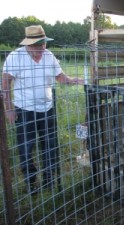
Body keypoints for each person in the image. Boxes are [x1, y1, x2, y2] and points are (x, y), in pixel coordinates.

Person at [1, 25, 84, 195]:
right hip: (25, 110)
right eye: (37, 45)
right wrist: (9, 109)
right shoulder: (15, 57)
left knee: (50, 145)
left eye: (43, 44)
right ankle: (31, 182)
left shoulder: (49, 55)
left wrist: (74, 80)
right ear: (28, 44)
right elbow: (5, 84)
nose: (41, 48)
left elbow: (60, 77)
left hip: (47, 109)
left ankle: (49, 180)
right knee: (26, 147)